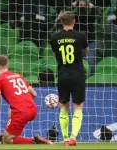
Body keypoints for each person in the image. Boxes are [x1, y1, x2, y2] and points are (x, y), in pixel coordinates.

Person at [0, 55, 52, 145]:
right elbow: (34, 93)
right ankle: (33, 140)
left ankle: (36, 141)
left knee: (6, 141)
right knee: (7, 137)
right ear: (7, 64)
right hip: (32, 109)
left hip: (20, 112)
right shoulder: (18, 76)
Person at [49, 11, 89, 146]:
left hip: (62, 75)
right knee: (78, 106)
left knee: (64, 107)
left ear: (61, 22)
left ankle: (65, 138)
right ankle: (73, 137)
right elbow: (86, 51)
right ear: (74, 21)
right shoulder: (80, 36)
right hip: (77, 74)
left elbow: (55, 55)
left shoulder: (54, 37)